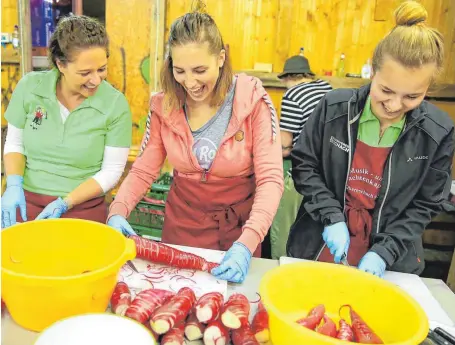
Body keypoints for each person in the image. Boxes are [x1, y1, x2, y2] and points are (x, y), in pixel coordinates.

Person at [107, 5, 284, 283]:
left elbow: (271, 180)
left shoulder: (253, 101)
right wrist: (117, 211)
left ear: (221, 58)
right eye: (180, 71)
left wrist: (246, 243)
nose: (190, 82)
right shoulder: (163, 105)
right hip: (182, 227)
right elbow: (143, 170)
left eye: (200, 70)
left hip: (238, 230)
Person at [287, 1, 454, 278]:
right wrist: (331, 216)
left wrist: (383, 252)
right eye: (386, 90)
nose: (394, 105)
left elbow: (426, 203)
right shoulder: (333, 109)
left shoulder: (438, 131)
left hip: (391, 259)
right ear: (372, 71)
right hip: (318, 247)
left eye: (412, 96)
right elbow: (304, 165)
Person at [1, 15, 132, 228]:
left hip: (84, 210)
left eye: (102, 69)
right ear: (61, 64)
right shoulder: (29, 88)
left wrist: (65, 202)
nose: (96, 80)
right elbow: (16, 143)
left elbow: (112, 170)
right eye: (85, 72)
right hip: (27, 206)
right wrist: (13, 184)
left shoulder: (115, 105)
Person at [270, 54, 332, 259]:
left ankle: (283, 263)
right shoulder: (326, 88)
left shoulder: (293, 95)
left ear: (287, 78)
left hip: (304, 170)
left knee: (285, 227)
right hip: (331, 173)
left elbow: (285, 144)